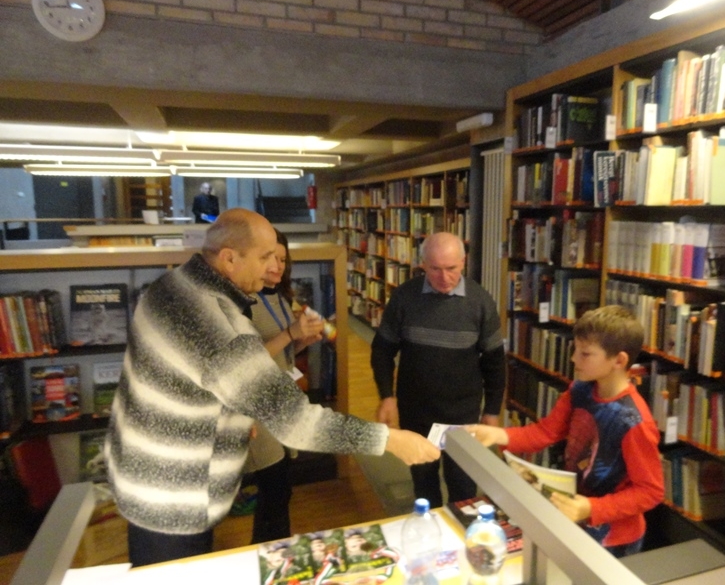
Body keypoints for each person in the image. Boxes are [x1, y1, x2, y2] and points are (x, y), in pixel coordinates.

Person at [105, 208, 440, 567]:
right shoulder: (218, 324)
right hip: (171, 498)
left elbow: (188, 375)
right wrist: (388, 440)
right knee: (173, 571)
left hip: (144, 472)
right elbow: (295, 422)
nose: (272, 267)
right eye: (265, 257)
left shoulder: (172, 284)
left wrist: (232, 409)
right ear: (229, 259)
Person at [466, 305, 664, 558]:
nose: (573, 359)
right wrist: (499, 435)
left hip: (614, 537)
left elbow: (650, 491)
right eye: (575, 350)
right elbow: (546, 432)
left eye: (585, 354)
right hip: (574, 517)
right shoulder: (580, 389)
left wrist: (592, 508)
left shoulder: (634, 422)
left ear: (619, 360)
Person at [371, 231, 505, 509]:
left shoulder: (480, 301)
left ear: (463, 262)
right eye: (435, 269)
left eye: (451, 268)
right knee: (423, 483)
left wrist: (491, 410)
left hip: (462, 413)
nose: (444, 277)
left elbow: (494, 361)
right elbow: (382, 350)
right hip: (416, 409)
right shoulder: (404, 297)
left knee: (463, 486)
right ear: (423, 265)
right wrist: (387, 396)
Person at [245, 228, 321, 544]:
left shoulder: (278, 296)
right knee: (275, 489)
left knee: (279, 490)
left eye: (282, 259)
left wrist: (302, 341)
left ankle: (270, 551)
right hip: (257, 409)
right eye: (269, 258)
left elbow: (281, 355)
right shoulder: (242, 301)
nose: (277, 266)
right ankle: (274, 554)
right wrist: (291, 334)